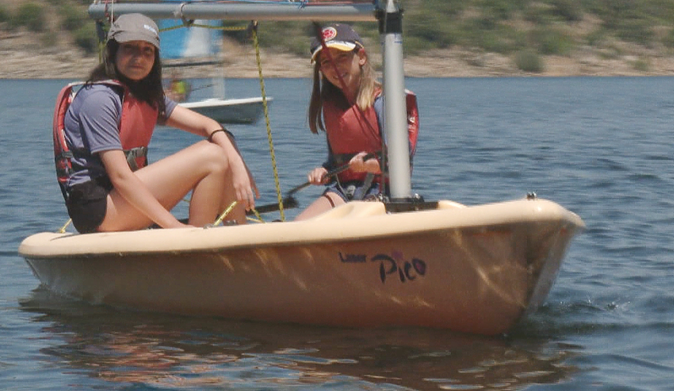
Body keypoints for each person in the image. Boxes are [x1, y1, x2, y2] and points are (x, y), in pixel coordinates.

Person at [55, 13, 257, 233]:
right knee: (213, 156)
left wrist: (238, 165)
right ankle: (195, 240)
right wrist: (175, 227)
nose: (139, 58)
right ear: (113, 52)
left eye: (147, 51)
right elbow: (121, 177)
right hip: (99, 209)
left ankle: (240, 237)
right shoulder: (100, 99)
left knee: (222, 149)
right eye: (129, 48)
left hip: (121, 199)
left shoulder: (146, 96)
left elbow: (209, 126)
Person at [294, 23, 418, 221]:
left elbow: (402, 163)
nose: (335, 67)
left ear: (361, 57)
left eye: (342, 57)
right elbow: (335, 162)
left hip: (382, 192)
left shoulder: (383, 102)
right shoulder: (332, 106)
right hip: (344, 190)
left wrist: (370, 165)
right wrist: (325, 171)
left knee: (356, 223)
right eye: (326, 62)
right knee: (300, 225)